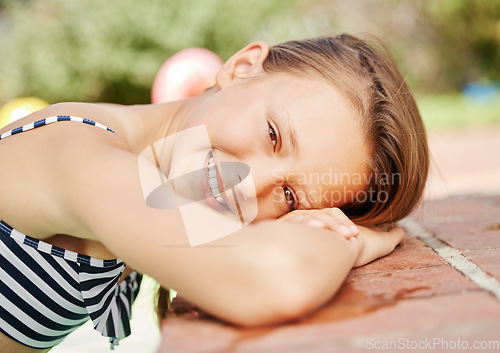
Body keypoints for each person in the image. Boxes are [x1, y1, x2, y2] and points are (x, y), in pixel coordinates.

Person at [0, 33, 428, 352]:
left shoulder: (167, 182)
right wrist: (353, 242)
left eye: (291, 197)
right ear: (242, 67)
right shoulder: (73, 152)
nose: (248, 184)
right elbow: (274, 282)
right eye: (273, 135)